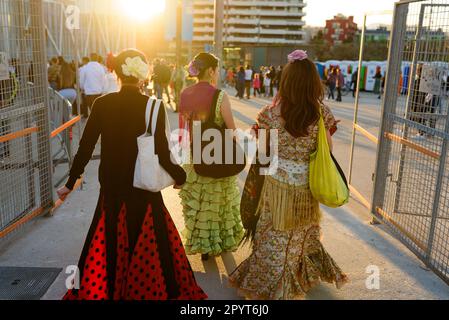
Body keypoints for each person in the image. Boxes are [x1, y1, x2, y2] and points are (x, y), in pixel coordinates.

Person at [57, 49, 207, 300]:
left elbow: (85, 147)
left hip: (112, 190)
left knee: (109, 247)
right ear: (141, 75)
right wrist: (180, 177)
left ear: (115, 72)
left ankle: (111, 291)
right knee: (153, 248)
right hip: (144, 190)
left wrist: (70, 183)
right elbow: (161, 152)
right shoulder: (153, 106)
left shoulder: (102, 104)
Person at [229, 49, 347, 300]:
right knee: (300, 235)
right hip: (307, 187)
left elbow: (264, 153)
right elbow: (327, 149)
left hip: (276, 186)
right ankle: (295, 279)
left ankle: (270, 280)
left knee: (272, 233)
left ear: (286, 81)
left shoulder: (269, 114)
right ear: (312, 82)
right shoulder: (321, 113)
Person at [179, 53, 244, 261]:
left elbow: (186, 128)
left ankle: (204, 246)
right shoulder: (220, 96)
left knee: (200, 202)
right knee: (219, 202)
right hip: (219, 155)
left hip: (196, 154)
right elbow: (231, 129)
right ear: (211, 71)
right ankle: (220, 242)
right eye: (217, 69)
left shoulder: (185, 94)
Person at [79, 53, 107, 118]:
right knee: (97, 111)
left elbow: (82, 80)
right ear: (97, 58)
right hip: (98, 92)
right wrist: (103, 89)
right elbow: (104, 80)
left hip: (89, 92)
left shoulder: (85, 68)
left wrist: (82, 88)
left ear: (90, 58)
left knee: (92, 110)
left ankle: (95, 124)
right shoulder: (101, 68)